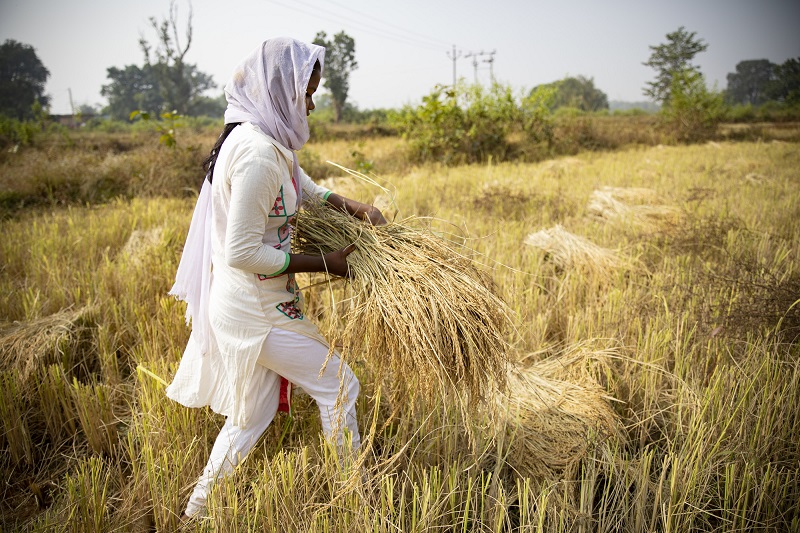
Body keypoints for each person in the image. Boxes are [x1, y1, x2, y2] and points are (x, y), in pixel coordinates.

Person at [164, 37, 386, 519]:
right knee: (340, 387)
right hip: (255, 310)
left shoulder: (264, 141)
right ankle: (356, 500)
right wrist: (325, 264)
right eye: (306, 93)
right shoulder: (258, 154)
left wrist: (353, 207)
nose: (310, 104)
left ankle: (197, 510)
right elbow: (243, 251)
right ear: (278, 89)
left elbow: (301, 188)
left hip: (258, 301)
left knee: (252, 416)